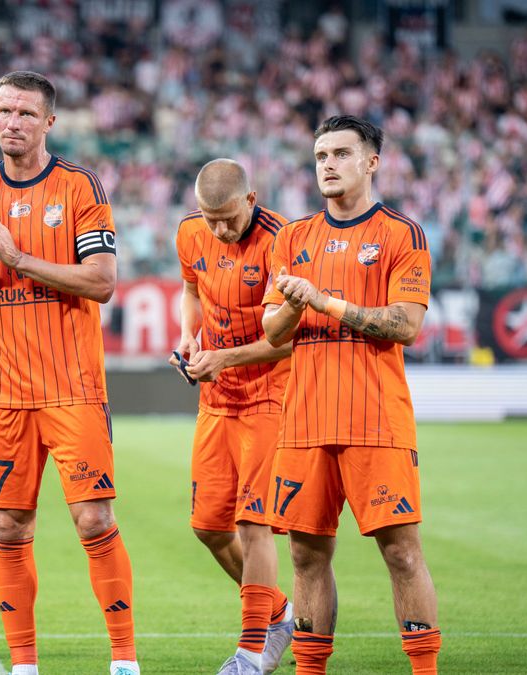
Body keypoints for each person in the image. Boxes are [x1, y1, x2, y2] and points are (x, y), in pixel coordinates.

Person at [0, 70, 138, 675]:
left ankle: (124, 661)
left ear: (49, 122)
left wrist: (17, 257)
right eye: (3, 111)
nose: (12, 123)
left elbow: (103, 282)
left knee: (93, 517)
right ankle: (25, 667)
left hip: (72, 385)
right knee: (7, 526)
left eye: (26, 113)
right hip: (3, 391)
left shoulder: (80, 186)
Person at [261, 115, 441, 674]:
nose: (329, 165)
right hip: (306, 423)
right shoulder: (293, 236)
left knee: (401, 552)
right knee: (304, 555)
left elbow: (405, 324)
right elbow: (271, 331)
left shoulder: (400, 234)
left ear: (371, 162)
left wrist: (324, 300)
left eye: (341, 153)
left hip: (376, 422)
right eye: (320, 156)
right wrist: (293, 303)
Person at [169, 159, 295, 675]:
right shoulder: (190, 234)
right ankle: (282, 613)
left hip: (270, 393)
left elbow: (285, 342)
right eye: (208, 218)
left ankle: (250, 650)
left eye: (226, 218)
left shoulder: (282, 241)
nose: (218, 229)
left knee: (254, 520)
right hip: (217, 397)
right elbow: (192, 290)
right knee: (209, 527)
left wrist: (222, 358)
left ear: (251, 199)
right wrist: (187, 337)